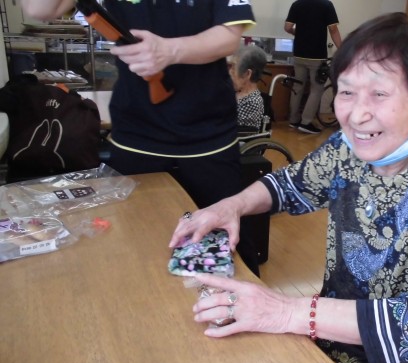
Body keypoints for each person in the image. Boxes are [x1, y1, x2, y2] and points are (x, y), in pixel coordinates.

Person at [170, 13, 408, 363]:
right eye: (346, 92)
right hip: (331, 335)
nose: (356, 115)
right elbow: (289, 184)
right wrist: (231, 206)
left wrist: (287, 312)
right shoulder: (351, 147)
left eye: (380, 94)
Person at [21, 0, 262, 275]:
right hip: (135, 133)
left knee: (228, 246)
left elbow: (229, 36)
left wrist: (169, 50)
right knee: (133, 245)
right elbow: (40, 9)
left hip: (209, 136)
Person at [284, 0, 342, 135]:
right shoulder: (326, 5)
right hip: (316, 55)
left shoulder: (297, 4)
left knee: (298, 86)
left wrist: (297, 33)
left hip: (298, 54)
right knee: (316, 89)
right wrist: (342, 48)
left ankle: (293, 120)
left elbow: (287, 27)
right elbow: (333, 29)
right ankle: (306, 122)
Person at [229, 45, 267, 132]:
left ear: (247, 74)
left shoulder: (253, 102)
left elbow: (225, 125)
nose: (230, 72)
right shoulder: (235, 91)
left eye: (233, 69)